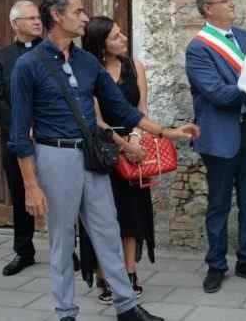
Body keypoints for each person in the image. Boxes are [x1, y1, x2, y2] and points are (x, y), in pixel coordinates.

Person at [10, 0, 198, 321]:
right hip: (54, 156)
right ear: (57, 15)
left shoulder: (86, 62)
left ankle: (126, 307)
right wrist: (30, 185)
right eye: (78, 11)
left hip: (92, 155)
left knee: (108, 230)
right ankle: (66, 312)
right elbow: (19, 132)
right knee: (63, 240)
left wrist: (168, 132)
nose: (84, 17)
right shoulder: (28, 65)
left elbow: (121, 110)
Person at [185, 0, 246, 293]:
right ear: (209, 8)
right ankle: (216, 265)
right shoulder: (198, 48)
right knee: (219, 204)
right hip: (220, 135)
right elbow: (218, 94)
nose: (233, 3)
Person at [78, 16, 155, 304]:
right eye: (115, 37)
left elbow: (141, 108)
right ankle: (104, 276)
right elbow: (95, 121)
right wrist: (125, 146)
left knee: (132, 213)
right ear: (100, 45)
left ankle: (130, 272)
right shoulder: (88, 72)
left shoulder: (136, 67)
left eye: (122, 33)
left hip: (132, 145)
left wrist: (136, 139)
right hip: (101, 151)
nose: (123, 39)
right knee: (102, 217)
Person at [0, 0, 43, 276]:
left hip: (50, 138)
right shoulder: (1, 58)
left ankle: (67, 250)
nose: (37, 21)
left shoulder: (51, 52)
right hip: (15, 139)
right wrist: (22, 129)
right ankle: (24, 251)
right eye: (30, 18)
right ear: (15, 24)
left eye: (38, 17)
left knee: (58, 195)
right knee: (21, 194)